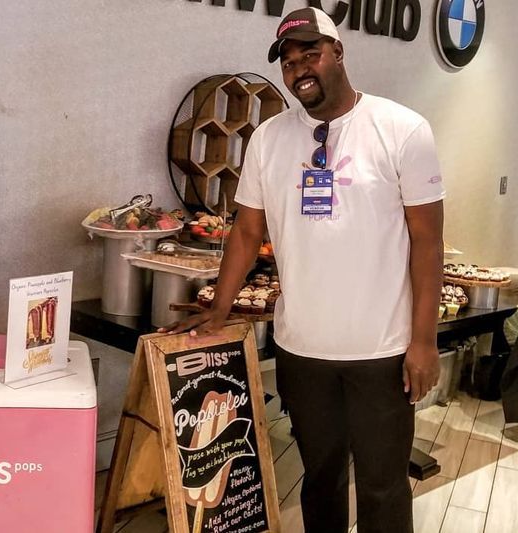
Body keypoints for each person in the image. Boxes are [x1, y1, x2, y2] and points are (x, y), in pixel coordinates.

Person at [164, 7, 444, 533]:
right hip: (302, 349)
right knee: (320, 477)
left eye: (309, 54)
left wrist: (424, 342)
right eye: (288, 62)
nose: (298, 70)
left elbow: (428, 243)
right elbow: (247, 232)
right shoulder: (270, 138)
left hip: (381, 350)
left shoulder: (402, 129)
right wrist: (219, 306)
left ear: (338, 52)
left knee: (383, 486)